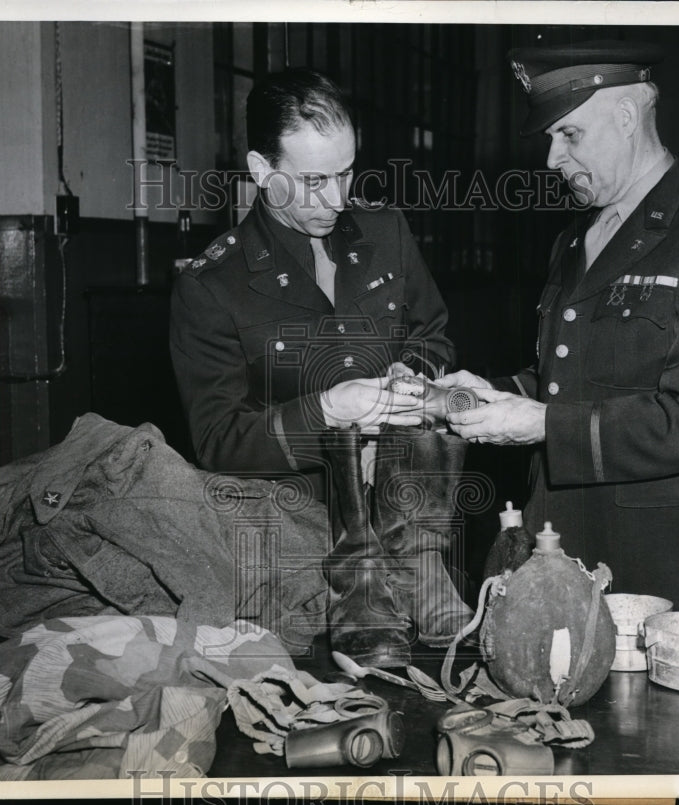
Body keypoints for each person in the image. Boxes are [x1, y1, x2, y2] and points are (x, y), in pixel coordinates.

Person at [442, 41, 679, 620]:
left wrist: (541, 423)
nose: (551, 160)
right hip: (568, 542)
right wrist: (494, 394)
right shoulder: (576, 238)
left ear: (625, 118)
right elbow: (570, 377)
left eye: (568, 135)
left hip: (670, 566)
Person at [170, 68, 472, 666]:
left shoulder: (385, 234)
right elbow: (218, 441)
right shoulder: (212, 285)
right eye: (312, 180)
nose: (335, 199)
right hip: (295, 544)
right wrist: (330, 412)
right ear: (262, 171)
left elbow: (433, 334)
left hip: (410, 522)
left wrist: (407, 382)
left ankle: (420, 568)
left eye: (345, 173)